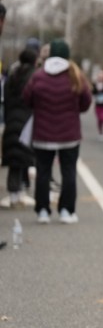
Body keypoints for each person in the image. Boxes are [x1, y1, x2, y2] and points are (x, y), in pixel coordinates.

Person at [21, 40, 92, 224]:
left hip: (42, 134)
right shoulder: (75, 75)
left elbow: (27, 99)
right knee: (68, 172)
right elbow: (86, 102)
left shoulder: (38, 75)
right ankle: (66, 211)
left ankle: (43, 211)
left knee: (43, 172)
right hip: (69, 134)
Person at [2, 48, 38, 209]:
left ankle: (14, 192)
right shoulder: (34, 77)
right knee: (24, 156)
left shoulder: (12, 76)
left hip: (11, 119)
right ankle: (20, 190)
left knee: (14, 157)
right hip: (27, 119)